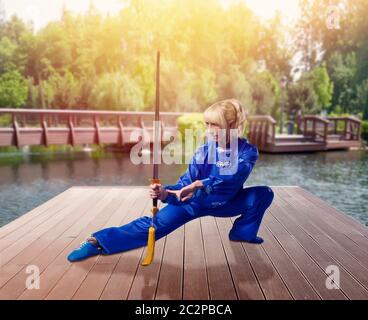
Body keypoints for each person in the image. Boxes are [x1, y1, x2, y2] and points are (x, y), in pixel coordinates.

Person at [67, 99, 274, 262]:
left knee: (263, 194)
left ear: (233, 125)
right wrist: (166, 193)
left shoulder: (248, 151)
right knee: (153, 227)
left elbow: (235, 172)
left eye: (215, 125)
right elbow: (186, 183)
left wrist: (201, 184)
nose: (209, 129)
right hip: (194, 202)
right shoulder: (204, 151)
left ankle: (242, 234)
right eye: (207, 124)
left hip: (228, 202)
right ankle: (97, 242)